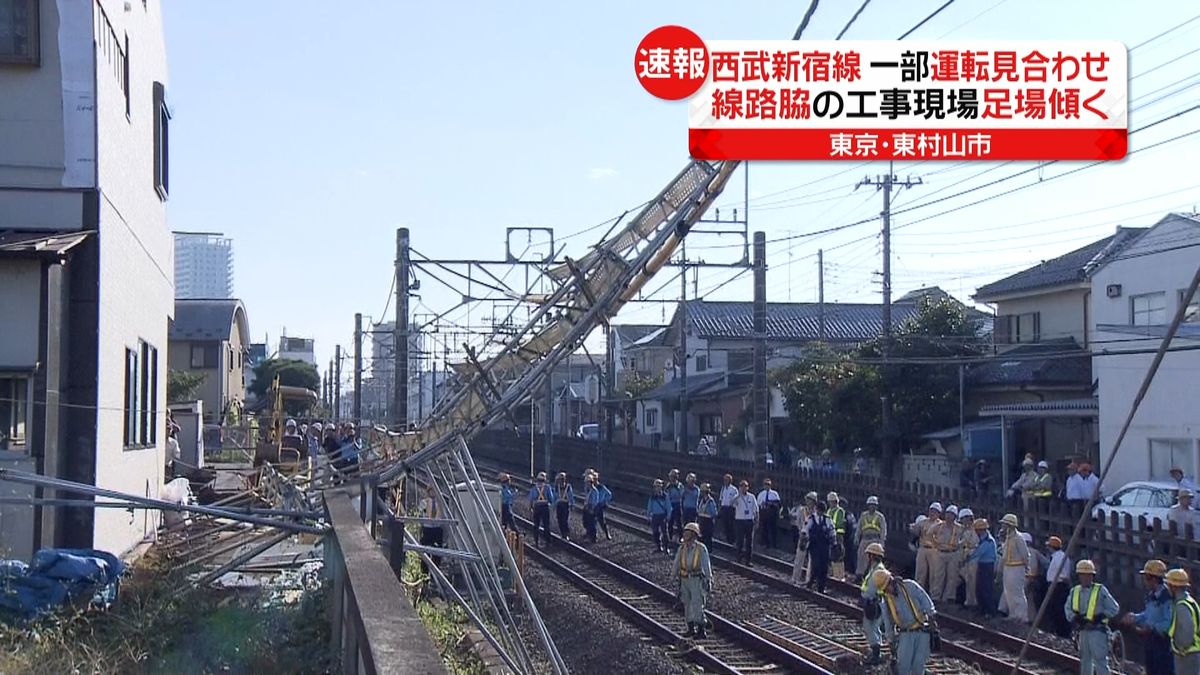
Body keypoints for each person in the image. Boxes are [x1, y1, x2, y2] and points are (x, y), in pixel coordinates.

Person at [875, 568, 937, 675]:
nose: (887, 591)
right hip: (905, 634)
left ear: (892, 581)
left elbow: (926, 601)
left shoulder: (910, 586)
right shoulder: (887, 601)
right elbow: (888, 623)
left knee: (918, 667)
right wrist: (891, 641)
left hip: (922, 631)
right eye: (885, 590)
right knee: (903, 667)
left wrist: (932, 620)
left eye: (887, 587)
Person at [1064, 560, 1119, 675]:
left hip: (1097, 631)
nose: (1085, 578)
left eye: (1088, 575)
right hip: (1083, 632)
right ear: (1079, 576)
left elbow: (1114, 608)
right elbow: (1068, 609)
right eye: (1082, 575)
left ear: (1092, 576)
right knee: (1085, 661)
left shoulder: (1100, 590)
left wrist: (1099, 617)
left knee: (1100, 661)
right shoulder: (1075, 591)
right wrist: (1075, 618)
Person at [1120, 559, 1174, 675]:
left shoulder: (1166, 598)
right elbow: (1148, 614)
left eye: (1145, 578)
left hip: (1163, 644)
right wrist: (1134, 617)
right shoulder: (1152, 595)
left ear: (1153, 579)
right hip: (1151, 642)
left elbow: (1169, 622)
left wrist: (1151, 628)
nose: (1144, 581)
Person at [674, 522, 713, 638]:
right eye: (685, 532)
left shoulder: (701, 549)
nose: (685, 535)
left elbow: (706, 565)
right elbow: (677, 562)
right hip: (684, 579)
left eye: (688, 533)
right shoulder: (682, 548)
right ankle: (690, 628)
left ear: (694, 535)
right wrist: (673, 575)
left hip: (696, 580)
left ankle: (701, 629)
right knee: (687, 604)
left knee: (697, 604)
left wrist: (708, 579)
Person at [1165, 568, 1200, 675]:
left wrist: (1181, 648)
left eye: (1168, 585)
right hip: (1192, 652)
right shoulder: (1190, 601)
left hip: (1186, 654)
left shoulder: (1181, 606)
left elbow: (1187, 630)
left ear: (1174, 587)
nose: (1167, 588)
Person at [999, 513, 1030, 623]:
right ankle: (1013, 614)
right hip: (1008, 567)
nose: (1003, 526)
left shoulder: (1019, 538)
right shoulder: (1008, 538)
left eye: (1004, 524)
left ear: (1010, 525)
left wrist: (1027, 568)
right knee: (1008, 591)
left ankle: (1022, 616)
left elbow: (1025, 554)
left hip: (1017, 568)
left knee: (1017, 592)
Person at [860, 542, 888, 665]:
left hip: (874, 603)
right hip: (872, 602)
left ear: (873, 556)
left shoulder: (878, 571)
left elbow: (873, 588)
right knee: (874, 628)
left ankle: (876, 653)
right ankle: (876, 651)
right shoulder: (875, 569)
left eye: (869, 555)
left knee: (870, 627)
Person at [1042, 535, 1073, 638]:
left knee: (1058, 609)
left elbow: (1063, 574)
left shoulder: (1059, 557)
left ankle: (1062, 632)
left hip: (1058, 585)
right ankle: (1059, 631)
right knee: (1055, 609)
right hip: (1056, 585)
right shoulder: (1058, 556)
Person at [931, 505, 962, 603]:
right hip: (940, 552)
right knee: (939, 575)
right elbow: (928, 533)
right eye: (948, 514)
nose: (949, 517)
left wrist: (960, 546)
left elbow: (966, 537)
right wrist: (934, 543)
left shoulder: (959, 528)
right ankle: (936, 596)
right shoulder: (939, 526)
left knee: (952, 576)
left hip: (953, 553)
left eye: (952, 515)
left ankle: (949, 597)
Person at [966, 518, 997, 617]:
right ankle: (982, 610)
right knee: (979, 588)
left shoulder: (988, 541)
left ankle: (989, 611)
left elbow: (979, 552)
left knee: (986, 588)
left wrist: (968, 557)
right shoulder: (982, 539)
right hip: (982, 564)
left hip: (988, 566)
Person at [802, 500, 835, 593]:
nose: (820, 513)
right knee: (816, 565)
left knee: (824, 567)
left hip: (825, 546)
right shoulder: (811, 519)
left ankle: (821, 587)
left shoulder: (828, 519)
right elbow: (805, 530)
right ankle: (811, 582)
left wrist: (834, 542)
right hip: (814, 545)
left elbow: (832, 531)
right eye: (819, 511)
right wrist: (803, 541)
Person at [856, 496, 887, 580]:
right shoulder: (863, 515)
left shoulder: (880, 517)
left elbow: (883, 531)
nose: (872, 507)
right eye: (870, 505)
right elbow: (859, 527)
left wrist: (882, 543)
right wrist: (857, 538)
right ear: (868, 505)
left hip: (875, 540)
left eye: (874, 505)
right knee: (861, 556)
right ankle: (860, 575)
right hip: (865, 539)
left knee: (873, 559)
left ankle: (872, 575)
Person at [791, 491, 818, 585]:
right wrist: (801, 531)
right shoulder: (802, 510)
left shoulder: (816, 513)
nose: (808, 502)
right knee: (799, 558)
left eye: (810, 500)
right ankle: (795, 577)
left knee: (811, 560)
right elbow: (798, 522)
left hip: (812, 538)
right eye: (807, 499)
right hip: (803, 536)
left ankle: (808, 579)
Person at [914, 502, 942, 591]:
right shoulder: (922, 522)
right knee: (920, 573)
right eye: (931, 511)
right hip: (922, 549)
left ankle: (934, 594)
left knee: (934, 574)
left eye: (935, 511)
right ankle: (918, 592)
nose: (932, 513)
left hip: (934, 550)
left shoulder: (941, 525)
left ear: (938, 513)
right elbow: (915, 532)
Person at [418, 483, 445, 571]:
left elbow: (443, 515)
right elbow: (420, 514)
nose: (433, 492)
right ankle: (424, 572)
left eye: (434, 490)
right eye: (431, 490)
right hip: (427, 529)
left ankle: (435, 572)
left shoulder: (441, 503)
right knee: (425, 550)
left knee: (437, 552)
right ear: (428, 491)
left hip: (437, 529)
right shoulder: (424, 502)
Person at [733, 480, 759, 565]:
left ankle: (748, 560)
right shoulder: (737, 497)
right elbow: (731, 504)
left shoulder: (751, 497)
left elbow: (756, 510)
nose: (744, 488)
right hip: (740, 521)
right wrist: (738, 495)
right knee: (739, 540)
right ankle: (739, 558)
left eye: (745, 486)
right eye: (742, 486)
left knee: (749, 542)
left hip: (749, 521)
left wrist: (757, 520)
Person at [957, 508, 979, 609]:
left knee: (972, 580)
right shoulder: (964, 530)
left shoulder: (976, 530)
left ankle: (972, 602)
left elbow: (974, 544)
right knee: (967, 579)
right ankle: (967, 600)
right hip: (966, 557)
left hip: (974, 557)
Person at [528, 471, 556, 547]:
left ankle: (536, 541)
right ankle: (548, 541)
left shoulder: (534, 488)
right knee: (546, 525)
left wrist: (530, 508)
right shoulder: (547, 487)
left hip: (537, 507)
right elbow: (551, 499)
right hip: (545, 507)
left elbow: (531, 499)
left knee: (536, 525)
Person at [827, 491, 848, 580]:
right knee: (833, 556)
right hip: (830, 535)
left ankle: (840, 575)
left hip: (838, 535)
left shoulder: (840, 511)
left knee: (838, 556)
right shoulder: (829, 511)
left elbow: (838, 523)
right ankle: (835, 575)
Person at [647, 479, 671, 554]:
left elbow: (669, 507)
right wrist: (648, 516)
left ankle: (666, 547)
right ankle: (658, 546)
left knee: (665, 532)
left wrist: (668, 516)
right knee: (655, 532)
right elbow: (649, 507)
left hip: (662, 516)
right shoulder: (652, 497)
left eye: (659, 486)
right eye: (656, 487)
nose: (657, 488)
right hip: (655, 516)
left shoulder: (665, 496)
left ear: (661, 487)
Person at [757, 479, 782, 550]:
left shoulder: (774, 494)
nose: (767, 486)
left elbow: (778, 504)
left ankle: (774, 544)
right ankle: (765, 543)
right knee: (764, 529)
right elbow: (758, 504)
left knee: (773, 529)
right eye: (765, 484)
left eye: (768, 484)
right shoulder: (761, 494)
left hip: (772, 514)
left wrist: (770, 503)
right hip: (764, 513)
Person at [697, 483, 718, 549]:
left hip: (708, 521)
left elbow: (714, 513)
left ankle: (708, 549)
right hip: (702, 520)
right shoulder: (702, 500)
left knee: (708, 537)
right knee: (701, 536)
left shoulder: (710, 501)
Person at [593, 472, 614, 541]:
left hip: (598, 506)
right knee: (592, 521)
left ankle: (607, 533)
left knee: (601, 521)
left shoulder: (601, 487)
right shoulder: (590, 487)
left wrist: (604, 502)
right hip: (592, 505)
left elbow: (609, 494)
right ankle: (593, 535)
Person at [554, 472, 574, 542]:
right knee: (560, 520)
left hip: (565, 505)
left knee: (564, 520)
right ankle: (563, 533)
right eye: (560, 479)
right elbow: (554, 496)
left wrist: (572, 504)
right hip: (559, 505)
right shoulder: (557, 487)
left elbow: (571, 496)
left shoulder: (568, 487)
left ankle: (566, 533)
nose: (561, 481)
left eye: (562, 479)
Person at [718, 474, 738, 543]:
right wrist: (720, 508)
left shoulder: (734, 489)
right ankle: (727, 538)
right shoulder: (723, 488)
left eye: (727, 480)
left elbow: (736, 500)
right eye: (724, 480)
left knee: (731, 524)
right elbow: (721, 499)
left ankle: (732, 539)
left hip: (730, 508)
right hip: (724, 508)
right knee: (725, 524)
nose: (725, 481)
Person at [583, 473, 602, 543]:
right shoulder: (587, 490)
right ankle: (588, 535)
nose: (586, 484)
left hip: (592, 509)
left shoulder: (595, 491)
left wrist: (592, 508)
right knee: (586, 522)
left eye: (587, 482)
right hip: (587, 508)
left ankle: (593, 537)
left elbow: (595, 501)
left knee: (592, 524)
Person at [666, 469, 684, 542]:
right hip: (670, 504)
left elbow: (681, 495)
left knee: (679, 522)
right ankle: (670, 537)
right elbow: (666, 495)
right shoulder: (668, 485)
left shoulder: (680, 485)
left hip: (677, 504)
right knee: (670, 522)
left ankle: (681, 537)